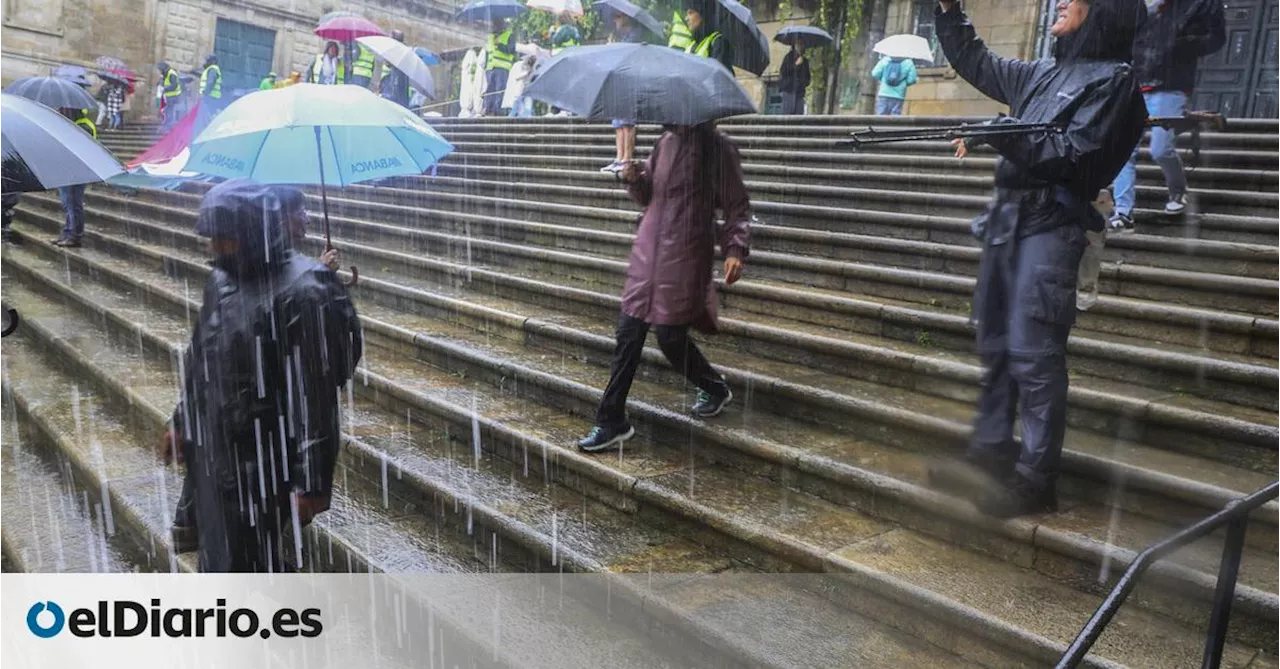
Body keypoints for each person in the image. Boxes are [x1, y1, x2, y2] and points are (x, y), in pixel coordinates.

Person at [926, 0, 1148, 518]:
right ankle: (992, 454)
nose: (1063, 4)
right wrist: (949, 10)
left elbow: (1074, 154)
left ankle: (1035, 479)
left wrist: (1001, 132)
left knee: (1034, 354)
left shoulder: (1116, 83)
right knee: (998, 344)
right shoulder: (1041, 73)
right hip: (1009, 222)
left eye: (1077, 1)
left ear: (1104, 14)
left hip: (1053, 228)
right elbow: (975, 60)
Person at [160, 180, 362, 572]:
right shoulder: (221, 280)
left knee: (235, 564)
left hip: (269, 456)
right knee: (231, 561)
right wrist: (182, 421)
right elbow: (203, 356)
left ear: (252, 231)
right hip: (220, 447)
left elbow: (315, 392)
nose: (214, 247)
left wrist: (312, 481)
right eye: (211, 238)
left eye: (224, 238)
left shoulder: (307, 289)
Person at [577, 123, 752, 453]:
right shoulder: (666, 141)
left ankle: (714, 387)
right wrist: (634, 178)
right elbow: (649, 194)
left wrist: (735, 249)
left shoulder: (719, 147)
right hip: (648, 250)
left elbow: (737, 204)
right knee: (628, 333)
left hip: (685, 252)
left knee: (670, 337)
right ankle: (611, 420)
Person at [1107, 0, 1225, 232]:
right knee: (1123, 152)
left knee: (1160, 149)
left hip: (1171, 86)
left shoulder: (1195, 5)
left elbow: (1216, 38)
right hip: (1136, 84)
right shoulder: (1143, 10)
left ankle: (1179, 190)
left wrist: (1180, 44)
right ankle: (1123, 212)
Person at [602, 13, 645, 172]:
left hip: (630, 81)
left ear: (626, 18)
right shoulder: (623, 37)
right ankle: (619, 158)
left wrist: (614, 48)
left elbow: (629, 57)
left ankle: (627, 159)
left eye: (618, 17)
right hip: (620, 83)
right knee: (618, 124)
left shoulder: (636, 35)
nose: (615, 20)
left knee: (627, 123)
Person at [51, 108, 96, 248]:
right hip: (65, 170)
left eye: (63, 109)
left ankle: (75, 236)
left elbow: (79, 149)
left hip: (76, 171)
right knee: (67, 204)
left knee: (73, 204)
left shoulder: (84, 125)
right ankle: (67, 233)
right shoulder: (69, 123)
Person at [274, 186, 341, 271]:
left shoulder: (281, 252)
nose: (307, 220)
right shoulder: (274, 259)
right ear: (282, 220)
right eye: (301, 213)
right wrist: (323, 269)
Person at [684, 0, 734, 73]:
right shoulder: (692, 44)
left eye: (691, 13)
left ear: (703, 14)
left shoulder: (717, 42)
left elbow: (721, 78)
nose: (686, 18)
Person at [485, 19, 517, 116]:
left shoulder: (509, 35)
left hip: (502, 68)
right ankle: (488, 110)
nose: (494, 28)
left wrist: (500, 45)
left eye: (497, 25)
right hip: (490, 68)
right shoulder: (490, 37)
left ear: (502, 26)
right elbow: (487, 53)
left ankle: (497, 111)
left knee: (499, 90)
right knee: (489, 91)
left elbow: (511, 50)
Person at [379, 30, 412, 108]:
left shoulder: (398, 51)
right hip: (389, 83)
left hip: (391, 85)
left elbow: (390, 65)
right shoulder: (404, 51)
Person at [779, 43, 811, 115]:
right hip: (788, 91)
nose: (800, 47)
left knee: (798, 116)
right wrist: (796, 65)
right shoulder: (788, 57)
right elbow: (783, 72)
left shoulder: (805, 61)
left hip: (799, 93)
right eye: (798, 45)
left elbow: (808, 78)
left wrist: (803, 82)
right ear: (794, 46)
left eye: (802, 44)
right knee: (787, 116)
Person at [157, 61, 183, 129]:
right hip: (169, 96)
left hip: (174, 95)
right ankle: (168, 124)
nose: (159, 71)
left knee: (169, 110)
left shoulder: (171, 73)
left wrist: (165, 88)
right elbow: (164, 82)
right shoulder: (165, 73)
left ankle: (169, 125)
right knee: (168, 110)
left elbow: (174, 85)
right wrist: (160, 82)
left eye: (160, 69)